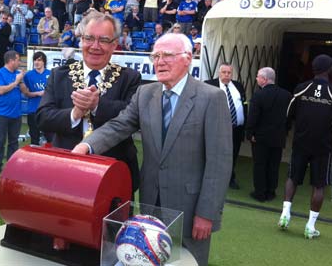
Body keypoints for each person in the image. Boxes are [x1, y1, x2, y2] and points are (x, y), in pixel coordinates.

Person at [72, 33, 232, 266]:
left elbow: (219, 162)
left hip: (189, 210)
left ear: (188, 58)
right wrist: (87, 145)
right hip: (149, 204)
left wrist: (206, 213)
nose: (159, 61)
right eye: (155, 55)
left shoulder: (211, 97)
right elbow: (120, 125)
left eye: (167, 55)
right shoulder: (145, 93)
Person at [36, 10, 142, 196]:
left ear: (114, 44)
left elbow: (132, 117)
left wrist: (97, 105)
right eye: (89, 38)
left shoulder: (129, 78)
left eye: (103, 40)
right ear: (81, 41)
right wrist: (75, 114)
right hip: (65, 171)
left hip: (113, 174)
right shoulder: (59, 75)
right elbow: (43, 117)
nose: (95, 46)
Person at [278, 54, 332, 239]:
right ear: (330, 70)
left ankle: (285, 214)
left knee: (293, 178)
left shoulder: (301, 88)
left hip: (301, 142)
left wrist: (287, 131)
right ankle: (310, 226)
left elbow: (288, 113)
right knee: (319, 185)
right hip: (322, 146)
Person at [246, 67, 292, 202]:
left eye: (258, 76)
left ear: (264, 79)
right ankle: (271, 191)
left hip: (260, 137)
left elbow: (253, 117)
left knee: (260, 165)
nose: (256, 79)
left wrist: (250, 133)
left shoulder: (258, 95)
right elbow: (290, 117)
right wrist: (286, 131)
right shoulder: (287, 95)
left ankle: (260, 192)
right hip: (278, 137)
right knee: (274, 165)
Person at [205, 63, 246, 190]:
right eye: (224, 72)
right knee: (215, 153)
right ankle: (212, 179)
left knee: (233, 154)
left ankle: (230, 178)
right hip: (217, 128)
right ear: (219, 72)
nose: (227, 75)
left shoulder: (238, 85)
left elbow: (244, 104)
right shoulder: (209, 84)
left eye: (229, 72)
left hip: (236, 128)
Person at [0, 50, 26, 173]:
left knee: (13, 141)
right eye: (18, 60)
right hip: (2, 113)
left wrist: (21, 81)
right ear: (11, 61)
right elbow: (0, 90)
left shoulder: (18, 74)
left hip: (16, 113)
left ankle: (11, 165)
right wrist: (16, 82)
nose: (19, 62)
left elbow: (24, 91)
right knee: (0, 140)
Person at [23, 51, 51, 145]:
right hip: (33, 110)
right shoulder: (28, 75)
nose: (36, 62)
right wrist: (38, 93)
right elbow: (26, 93)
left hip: (47, 110)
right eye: (35, 60)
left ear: (44, 62)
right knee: (34, 138)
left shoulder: (51, 74)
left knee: (49, 138)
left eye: (39, 60)